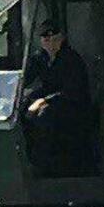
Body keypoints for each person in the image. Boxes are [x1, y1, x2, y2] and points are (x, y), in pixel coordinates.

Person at [23, 19, 93, 175]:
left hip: (71, 104)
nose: (51, 43)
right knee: (23, 109)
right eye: (46, 39)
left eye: (55, 39)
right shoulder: (38, 58)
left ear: (61, 39)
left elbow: (73, 90)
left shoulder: (72, 59)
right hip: (47, 99)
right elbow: (26, 78)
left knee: (44, 115)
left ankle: (48, 165)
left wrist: (44, 101)